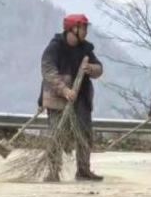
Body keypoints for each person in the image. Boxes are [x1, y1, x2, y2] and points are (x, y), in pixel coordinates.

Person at [39, 14, 104, 181]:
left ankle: (83, 170)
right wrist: (64, 89)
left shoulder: (86, 48)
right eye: (83, 28)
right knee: (57, 134)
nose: (86, 31)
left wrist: (92, 68)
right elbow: (48, 71)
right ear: (73, 28)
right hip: (58, 98)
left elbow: (99, 68)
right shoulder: (55, 47)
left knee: (84, 133)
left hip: (81, 97)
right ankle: (53, 171)